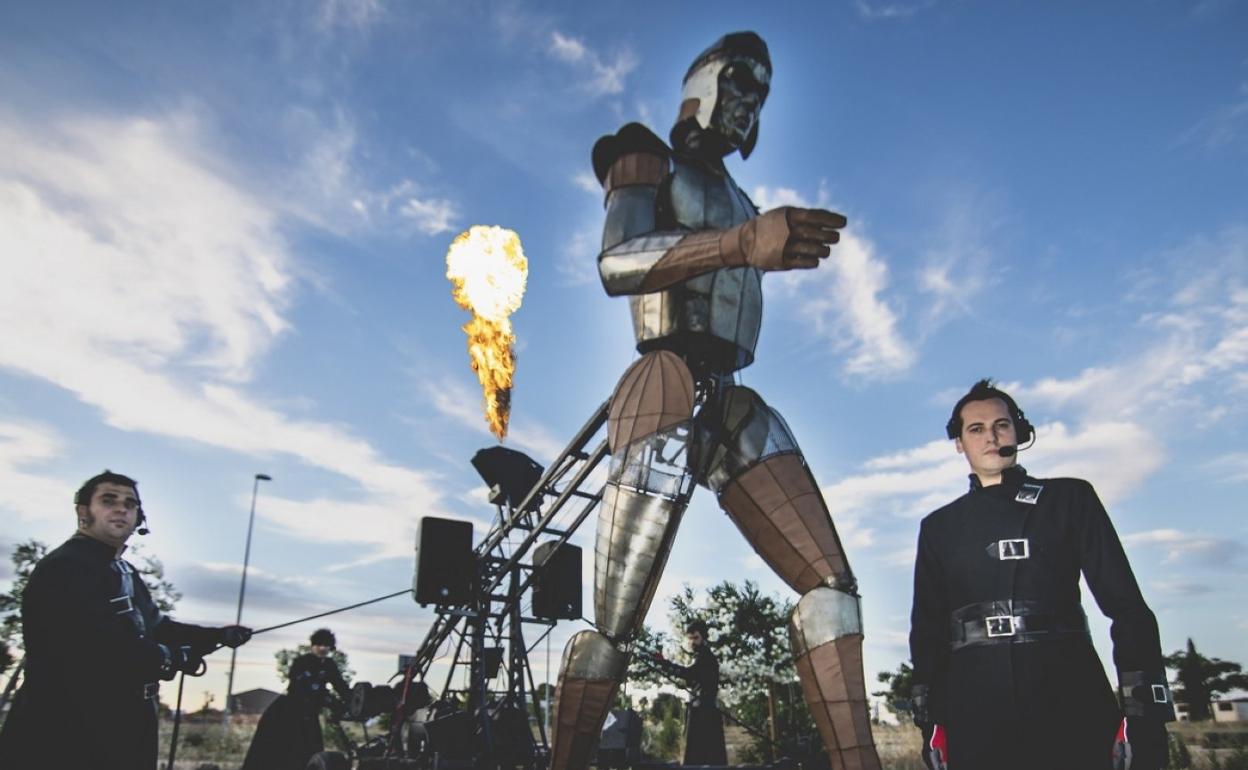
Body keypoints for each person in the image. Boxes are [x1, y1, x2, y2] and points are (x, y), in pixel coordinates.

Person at [548, 30, 878, 770]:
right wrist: (738, 246)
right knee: (614, 624)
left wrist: (751, 240)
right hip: (662, 384)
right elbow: (615, 263)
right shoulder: (645, 157)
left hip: (729, 398)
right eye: (735, 88)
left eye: (756, 97)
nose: (744, 106)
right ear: (701, 88)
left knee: (832, 585)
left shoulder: (740, 198)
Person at [908, 380, 1175, 770]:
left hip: (1070, 694)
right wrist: (930, 724)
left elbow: (1127, 608)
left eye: (1001, 424)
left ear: (1019, 432)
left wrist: (1143, 716)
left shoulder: (1070, 499)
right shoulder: (938, 527)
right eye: (976, 429)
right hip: (975, 710)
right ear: (959, 444)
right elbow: (927, 632)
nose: (990, 436)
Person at [0, 470, 252, 770]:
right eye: (109, 500)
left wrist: (217, 637)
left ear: (139, 517)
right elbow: (98, 646)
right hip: (66, 729)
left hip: (121, 725)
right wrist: (171, 658)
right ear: (83, 511)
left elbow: (159, 628)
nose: (121, 508)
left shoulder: (124, 571)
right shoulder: (65, 566)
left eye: (130, 504)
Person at [242, 627, 350, 770]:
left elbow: (340, 686)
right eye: (319, 645)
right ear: (313, 646)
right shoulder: (301, 662)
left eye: (326, 645)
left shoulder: (330, 665)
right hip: (287, 712)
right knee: (278, 747)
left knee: (310, 750)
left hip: (309, 714)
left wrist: (349, 702)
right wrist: (325, 698)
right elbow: (299, 686)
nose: (322, 648)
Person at [651, 620, 726, 765]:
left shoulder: (706, 656)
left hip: (704, 713)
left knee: (701, 758)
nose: (692, 642)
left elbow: (689, 674)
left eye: (696, 638)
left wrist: (665, 664)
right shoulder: (701, 656)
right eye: (690, 638)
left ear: (703, 637)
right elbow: (693, 679)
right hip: (702, 710)